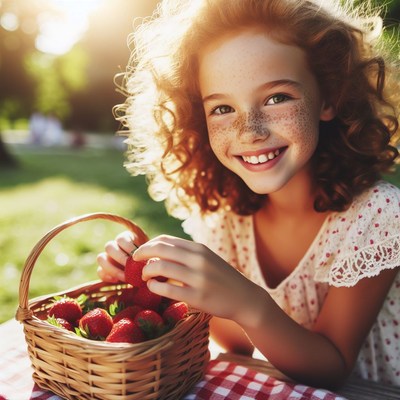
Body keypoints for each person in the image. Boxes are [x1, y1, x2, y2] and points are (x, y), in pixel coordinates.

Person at [97, 0, 400, 389]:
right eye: (222, 108)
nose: (250, 131)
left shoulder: (377, 216)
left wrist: (247, 301)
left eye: (276, 98)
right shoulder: (227, 217)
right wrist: (153, 279)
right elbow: (237, 339)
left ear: (329, 98)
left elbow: (332, 366)